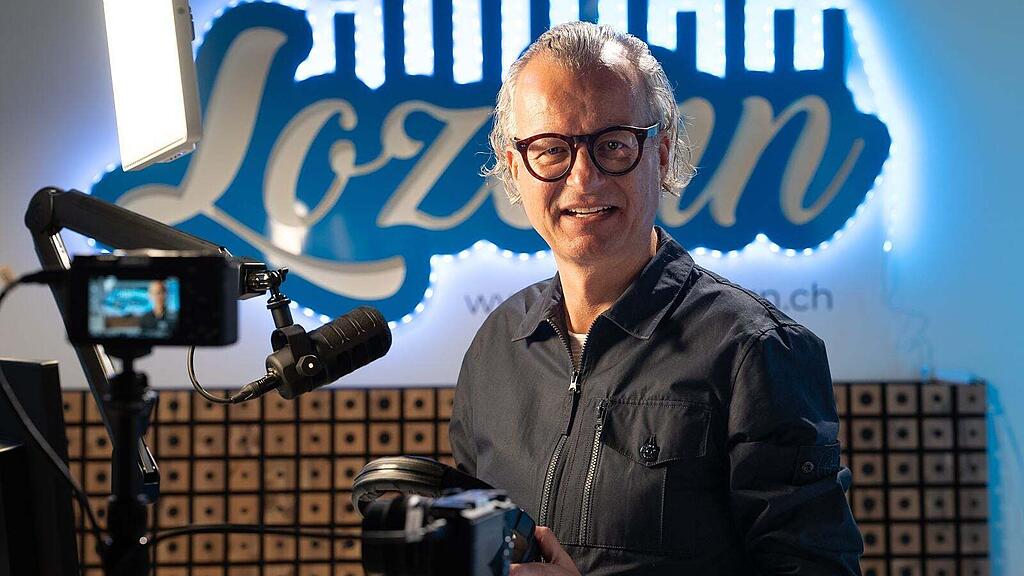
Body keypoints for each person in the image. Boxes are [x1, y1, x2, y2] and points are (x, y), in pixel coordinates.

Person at [448, 21, 863, 576]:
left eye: (613, 145)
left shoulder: (757, 352)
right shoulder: (495, 347)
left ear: (661, 154)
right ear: (513, 167)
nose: (583, 179)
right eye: (550, 150)